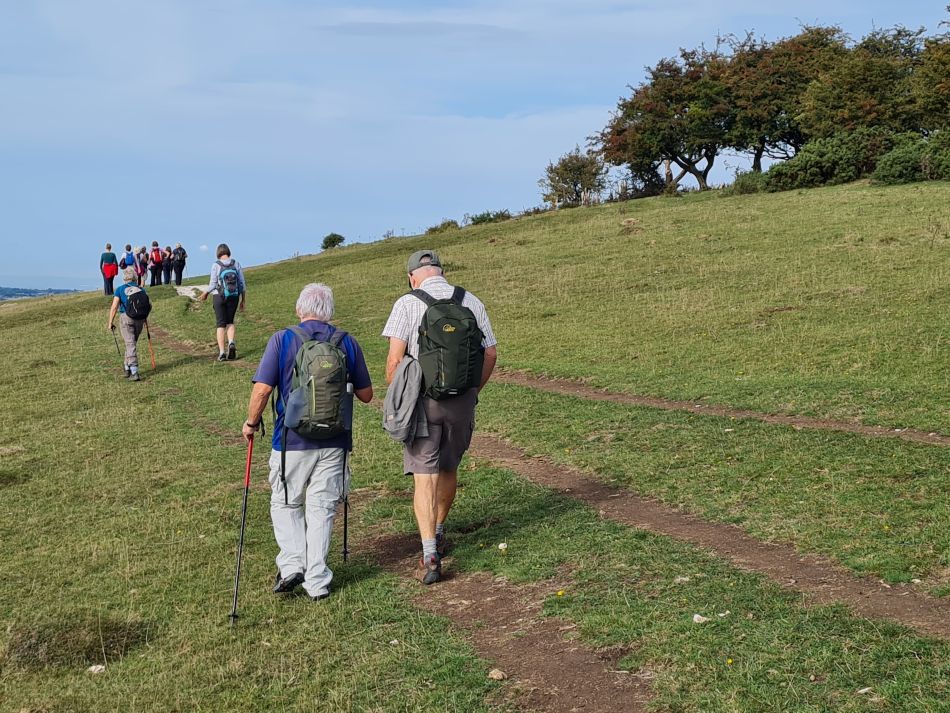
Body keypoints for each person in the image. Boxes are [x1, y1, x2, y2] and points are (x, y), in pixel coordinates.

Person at [242, 283, 373, 600]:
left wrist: (251, 423)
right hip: (335, 441)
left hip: (291, 440)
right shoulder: (346, 342)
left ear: (300, 309)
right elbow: (367, 396)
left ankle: (292, 566)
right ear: (330, 311)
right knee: (322, 507)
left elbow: (262, 391)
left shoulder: (283, 339)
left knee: (286, 501)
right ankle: (317, 582)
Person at [382, 249, 497, 584]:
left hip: (423, 402)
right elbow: (490, 352)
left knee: (424, 475)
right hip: (462, 401)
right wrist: (474, 390)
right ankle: (441, 529)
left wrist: (401, 397)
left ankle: (430, 551)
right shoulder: (471, 300)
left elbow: (394, 361)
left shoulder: (406, 303)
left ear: (412, 276)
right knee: (449, 467)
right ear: (441, 272)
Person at [199, 243, 246, 361]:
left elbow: (213, 284)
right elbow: (242, 284)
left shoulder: (216, 265)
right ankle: (231, 342)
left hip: (219, 297)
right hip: (234, 296)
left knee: (220, 324)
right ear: (228, 252)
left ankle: (221, 353)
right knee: (230, 322)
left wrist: (205, 293)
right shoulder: (236, 263)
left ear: (218, 253)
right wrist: (243, 300)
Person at [107, 267, 149, 382]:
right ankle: (127, 367)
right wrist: (145, 318)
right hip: (140, 319)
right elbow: (147, 305)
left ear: (124, 278)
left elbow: (114, 306)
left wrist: (110, 322)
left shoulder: (120, 289)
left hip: (126, 318)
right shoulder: (141, 290)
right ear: (135, 277)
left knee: (130, 343)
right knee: (131, 343)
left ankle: (134, 371)